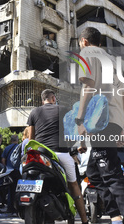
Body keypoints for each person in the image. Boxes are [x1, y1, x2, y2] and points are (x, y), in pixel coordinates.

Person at [76, 27, 124, 224]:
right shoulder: (112, 61)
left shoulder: (87, 53)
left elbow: (88, 86)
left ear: (84, 41)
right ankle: (116, 217)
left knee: (110, 172)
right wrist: (120, 127)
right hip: (113, 120)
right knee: (95, 172)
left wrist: (79, 120)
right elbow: (123, 97)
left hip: (100, 121)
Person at [27, 89, 88, 224]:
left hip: (40, 155)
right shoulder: (64, 110)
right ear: (53, 98)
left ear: (43, 100)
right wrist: (82, 144)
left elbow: (31, 139)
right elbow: (81, 129)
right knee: (73, 185)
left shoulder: (34, 112)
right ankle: (84, 220)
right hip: (60, 153)